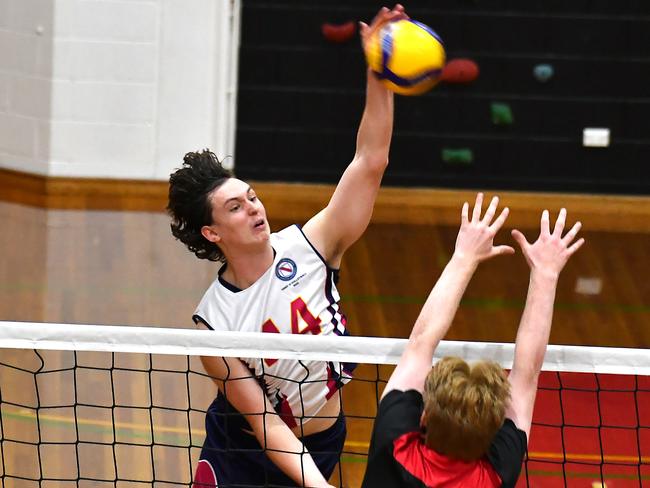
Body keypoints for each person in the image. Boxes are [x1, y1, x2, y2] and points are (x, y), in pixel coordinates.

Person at [167, 5, 408, 487]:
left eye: (251, 197)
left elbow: (370, 160)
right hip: (241, 447)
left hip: (319, 441)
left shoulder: (313, 245)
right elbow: (264, 423)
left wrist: (378, 72)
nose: (254, 209)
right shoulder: (213, 324)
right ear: (212, 233)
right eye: (235, 207)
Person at [361, 193, 584, 488]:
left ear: (424, 416)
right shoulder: (495, 476)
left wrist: (464, 257)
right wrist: (545, 274)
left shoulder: (395, 446)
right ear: (492, 434)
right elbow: (526, 375)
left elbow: (420, 343)